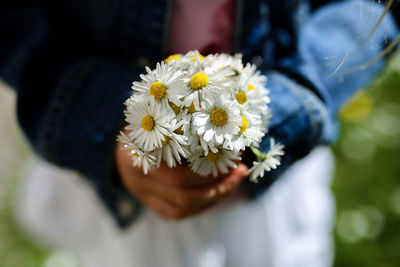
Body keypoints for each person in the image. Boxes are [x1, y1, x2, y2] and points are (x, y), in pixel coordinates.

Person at [1, 0, 398, 266]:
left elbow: (370, 9)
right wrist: (102, 120)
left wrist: (288, 102)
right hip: (111, 183)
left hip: (268, 196)